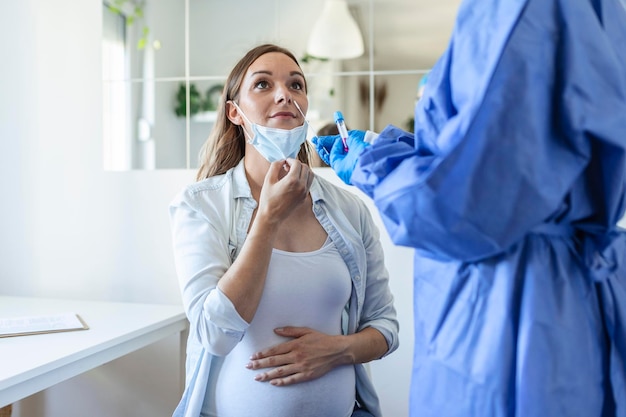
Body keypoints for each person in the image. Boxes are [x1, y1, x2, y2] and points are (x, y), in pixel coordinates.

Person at [313, 0, 626, 416]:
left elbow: (459, 206)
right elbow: (491, 161)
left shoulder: (518, 10)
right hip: (560, 293)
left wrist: (374, 167)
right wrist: (389, 153)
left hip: (510, 311)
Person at [168, 44, 399, 417]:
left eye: (296, 85)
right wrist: (268, 218)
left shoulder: (350, 210)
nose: (284, 95)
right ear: (235, 113)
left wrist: (337, 350)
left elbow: (385, 327)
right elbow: (214, 333)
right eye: (263, 84)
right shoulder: (200, 205)